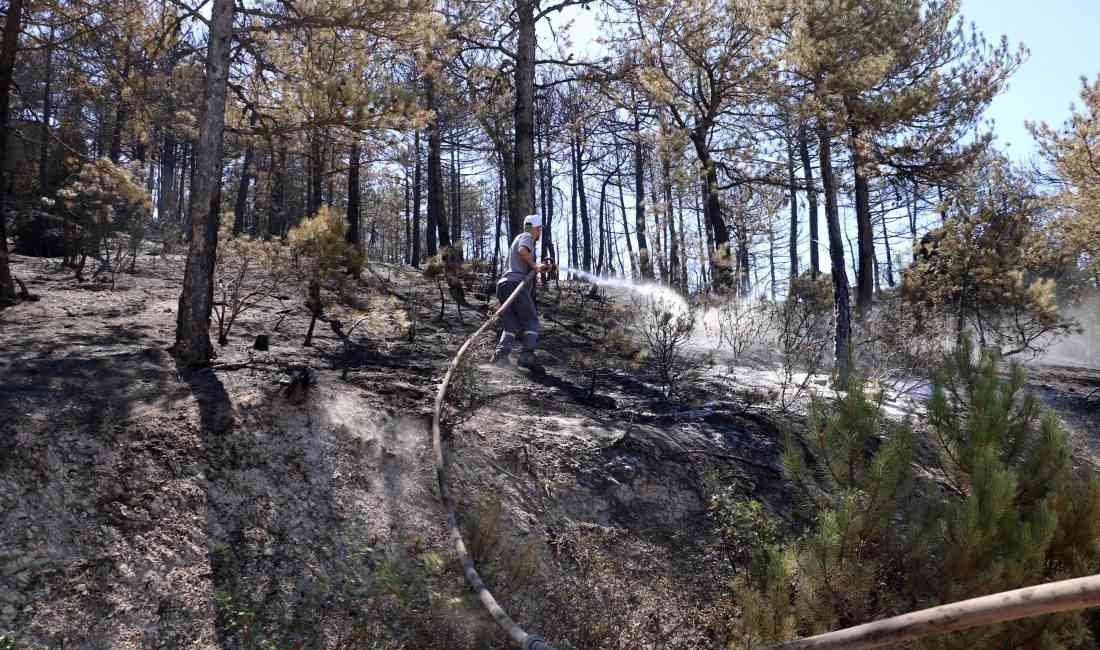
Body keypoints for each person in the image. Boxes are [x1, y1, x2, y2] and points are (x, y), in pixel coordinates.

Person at [491, 214, 552, 370]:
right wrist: (535, 266)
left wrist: (540, 267)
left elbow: (523, 258)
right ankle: (527, 356)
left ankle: (500, 355)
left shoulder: (519, 238)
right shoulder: (527, 236)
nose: (539, 233)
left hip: (504, 285)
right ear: (535, 228)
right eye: (539, 229)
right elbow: (522, 251)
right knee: (531, 321)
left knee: (511, 325)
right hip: (515, 285)